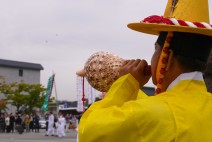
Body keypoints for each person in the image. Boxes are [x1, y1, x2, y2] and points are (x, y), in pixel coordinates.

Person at [78, 0, 212, 142]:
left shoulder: (155, 113)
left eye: (155, 50)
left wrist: (127, 83)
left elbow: (88, 132)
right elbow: (153, 105)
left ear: (167, 57)